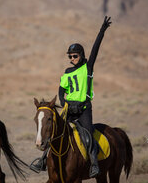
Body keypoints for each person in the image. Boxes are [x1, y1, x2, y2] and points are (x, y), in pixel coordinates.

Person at [30, 16, 112, 178]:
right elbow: (61, 90)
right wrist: (63, 101)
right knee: (55, 132)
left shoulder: (87, 68)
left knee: (88, 134)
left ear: (81, 55)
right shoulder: (67, 72)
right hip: (69, 108)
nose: (72, 59)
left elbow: (95, 50)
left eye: (75, 56)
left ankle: (94, 164)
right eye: (70, 56)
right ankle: (43, 160)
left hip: (84, 109)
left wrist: (101, 31)